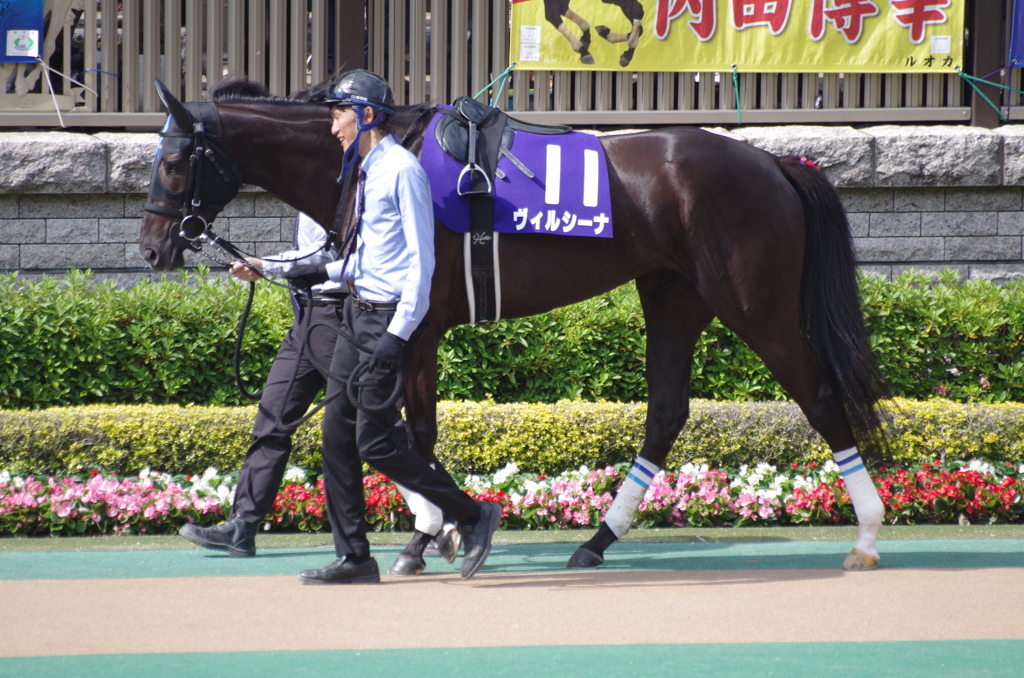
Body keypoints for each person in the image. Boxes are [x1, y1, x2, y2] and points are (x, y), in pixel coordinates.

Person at [283, 69, 501, 584]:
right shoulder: (363, 171)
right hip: (356, 314)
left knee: (375, 442)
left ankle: (472, 514)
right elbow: (360, 264)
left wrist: (397, 338)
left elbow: (421, 268)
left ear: (367, 115)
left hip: (386, 324)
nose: (332, 124)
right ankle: (354, 557)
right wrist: (276, 267)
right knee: (335, 437)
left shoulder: (403, 170)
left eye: (338, 112)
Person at [178, 211, 459, 576]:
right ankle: (243, 525)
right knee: (273, 418)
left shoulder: (347, 182)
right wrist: (270, 267)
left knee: (375, 426)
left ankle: (453, 511)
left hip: (342, 315)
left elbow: (333, 255)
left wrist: (269, 264)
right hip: (307, 316)